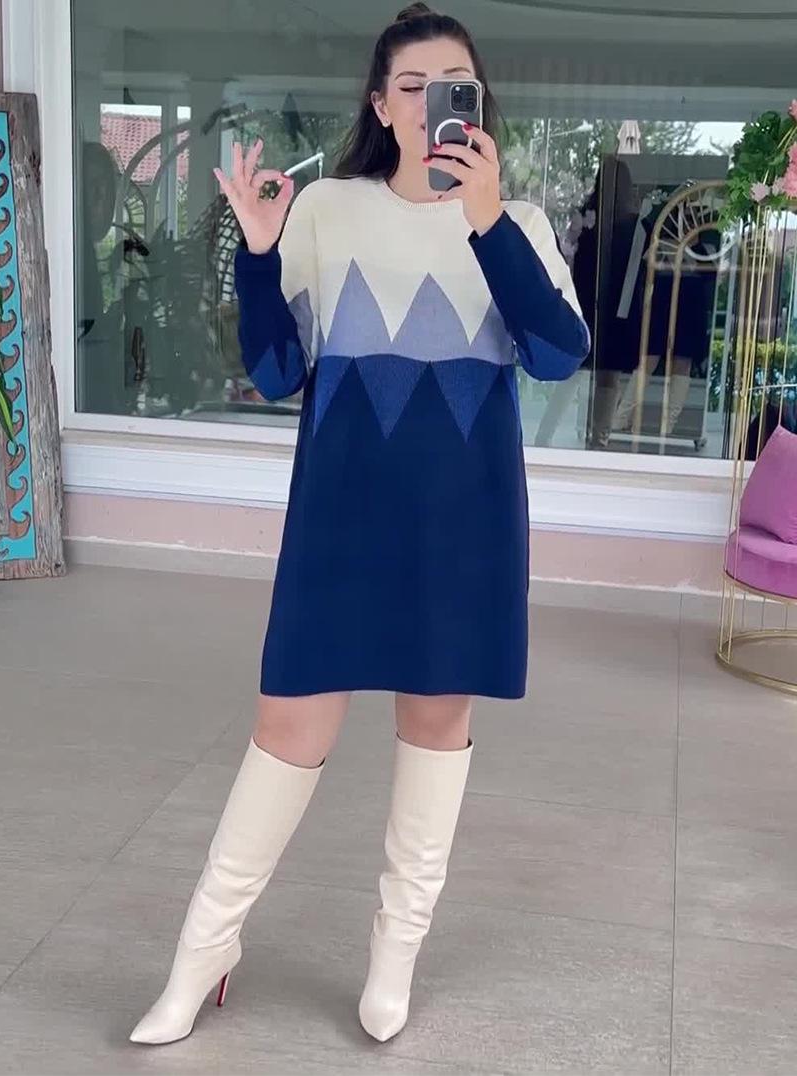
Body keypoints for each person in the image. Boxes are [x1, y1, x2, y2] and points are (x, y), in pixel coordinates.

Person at [129, 2, 589, 1048]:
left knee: (434, 729)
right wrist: (259, 252)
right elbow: (274, 370)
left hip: (463, 527)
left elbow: (559, 355)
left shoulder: (515, 224)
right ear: (381, 106)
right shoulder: (327, 210)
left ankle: (395, 954)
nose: (432, 106)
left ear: (478, 103)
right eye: (411, 87)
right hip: (338, 520)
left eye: (452, 87)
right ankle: (202, 951)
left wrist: (484, 220)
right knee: (285, 731)